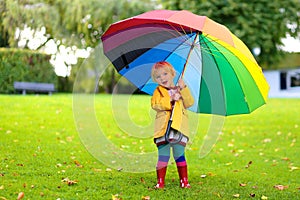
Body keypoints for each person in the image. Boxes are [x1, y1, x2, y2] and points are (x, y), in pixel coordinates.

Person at [151, 61, 194, 189]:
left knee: (179, 154)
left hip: (178, 128)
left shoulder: (180, 89)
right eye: (158, 76)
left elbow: (189, 103)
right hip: (163, 128)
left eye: (165, 74)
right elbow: (155, 104)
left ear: (172, 74)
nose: (162, 78)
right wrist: (170, 99)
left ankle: (184, 181)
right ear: (155, 79)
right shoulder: (158, 91)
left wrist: (183, 88)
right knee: (163, 155)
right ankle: (160, 182)